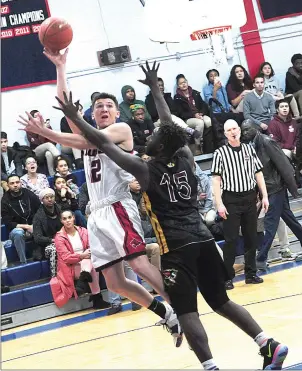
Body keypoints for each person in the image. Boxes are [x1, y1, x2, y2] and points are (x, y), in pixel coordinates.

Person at [51, 61, 288, 371]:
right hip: (203, 239)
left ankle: (210, 366)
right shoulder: (186, 158)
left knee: (187, 311)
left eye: (153, 137)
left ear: (158, 144)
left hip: (177, 249)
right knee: (222, 302)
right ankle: (267, 343)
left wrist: (60, 122)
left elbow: (105, 141)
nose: (149, 137)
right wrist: (156, 90)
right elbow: (166, 122)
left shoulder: (144, 168)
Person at [19, 48, 183, 346]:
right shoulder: (88, 130)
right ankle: (165, 313)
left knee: (139, 265)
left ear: (116, 112)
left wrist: (45, 132)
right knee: (115, 282)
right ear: (92, 113)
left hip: (117, 205)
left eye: (109, 105)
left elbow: (81, 139)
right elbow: (67, 108)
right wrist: (61, 65)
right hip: (96, 214)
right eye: (99, 106)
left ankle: (182, 309)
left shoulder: (121, 129)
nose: (104, 109)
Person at [241, 120, 302, 270]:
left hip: (276, 188)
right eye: (243, 131)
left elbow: (284, 165)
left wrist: (293, 187)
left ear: (256, 128)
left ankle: (261, 258)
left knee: (270, 224)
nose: (244, 133)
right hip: (271, 189)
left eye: (247, 130)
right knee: (289, 219)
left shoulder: (266, 141)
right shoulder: (254, 144)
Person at [211, 119, 268, 290]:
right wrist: (219, 203)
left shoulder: (249, 149)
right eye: (229, 130)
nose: (233, 132)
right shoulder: (220, 153)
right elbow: (216, 180)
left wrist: (264, 195)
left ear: (240, 130)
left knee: (251, 237)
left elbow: (258, 174)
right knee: (230, 239)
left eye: (235, 128)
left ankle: (251, 273)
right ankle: (227, 276)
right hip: (231, 199)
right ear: (225, 133)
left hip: (250, 197)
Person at [51, 210, 109, 309]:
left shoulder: (83, 231)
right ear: (61, 221)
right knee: (91, 265)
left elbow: (92, 246)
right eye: (65, 219)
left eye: (69, 217)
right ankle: (97, 298)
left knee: (92, 264)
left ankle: (83, 281)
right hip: (71, 267)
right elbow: (66, 258)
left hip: (86, 263)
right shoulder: (59, 237)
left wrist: (87, 254)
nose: (68, 220)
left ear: (74, 218)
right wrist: (82, 256)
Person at [1, 174, 41, 264]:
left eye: (17, 182)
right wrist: (27, 227)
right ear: (7, 185)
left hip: (33, 226)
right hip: (16, 230)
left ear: (21, 183)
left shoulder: (28, 193)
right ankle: (23, 262)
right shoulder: (4, 201)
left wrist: (34, 225)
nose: (15, 185)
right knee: (18, 233)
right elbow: (8, 224)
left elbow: (40, 210)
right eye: (12, 183)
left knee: (41, 226)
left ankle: (41, 254)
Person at [174, 74, 211, 155]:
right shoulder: (177, 97)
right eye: (181, 83)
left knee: (208, 121)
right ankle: (198, 145)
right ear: (178, 86)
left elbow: (203, 105)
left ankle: (209, 145)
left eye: (184, 82)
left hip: (199, 115)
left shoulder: (195, 93)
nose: (183, 84)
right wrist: (194, 115)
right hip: (187, 119)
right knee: (200, 123)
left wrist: (202, 113)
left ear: (187, 82)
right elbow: (180, 113)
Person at [33, 188, 63, 275]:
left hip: (63, 239)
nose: (50, 199)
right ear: (42, 200)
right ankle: (55, 275)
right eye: (46, 198)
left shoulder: (61, 209)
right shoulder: (38, 216)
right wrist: (53, 240)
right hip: (48, 244)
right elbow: (38, 238)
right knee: (54, 249)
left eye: (51, 197)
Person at [26, 111, 60, 176]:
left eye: (39, 116)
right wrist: (42, 131)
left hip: (48, 149)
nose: (38, 118)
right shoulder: (29, 128)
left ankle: (53, 175)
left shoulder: (45, 125)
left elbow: (54, 140)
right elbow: (38, 143)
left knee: (48, 154)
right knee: (48, 144)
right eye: (36, 117)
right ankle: (60, 158)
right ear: (31, 119)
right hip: (36, 151)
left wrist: (47, 129)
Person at [60, 102, 84, 169]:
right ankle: (79, 163)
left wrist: (82, 121)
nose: (80, 112)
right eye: (78, 110)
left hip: (83, 142)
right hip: (68, 144)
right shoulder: (64, 120)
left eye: (81, 110)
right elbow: (66, 136)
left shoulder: (85, 118)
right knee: (75, 142)